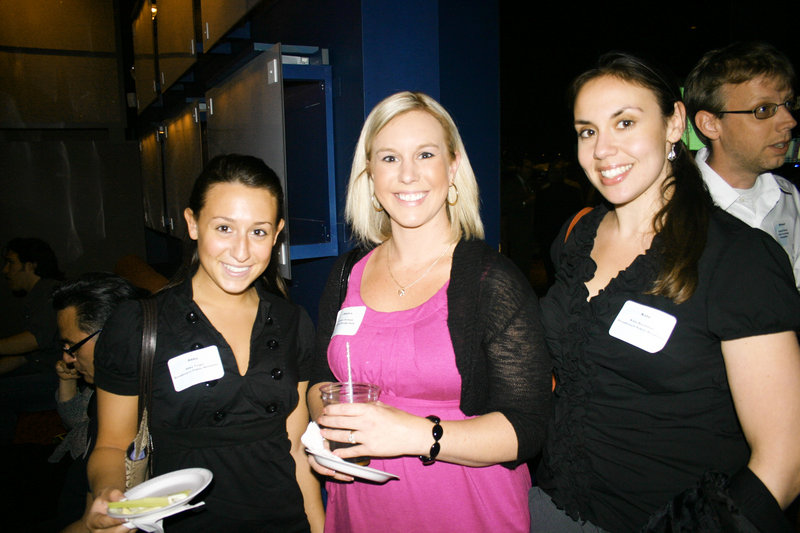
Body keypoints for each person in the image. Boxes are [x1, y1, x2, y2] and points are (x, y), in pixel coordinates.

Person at [531, 52, 800, 533]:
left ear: (674, 123)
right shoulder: (575, 238)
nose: (602, 150)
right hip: (552, 507)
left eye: (625, 122)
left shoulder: (737, 258)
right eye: (587, 131)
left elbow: (786, 460)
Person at [308, 91, 552, 533]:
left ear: (453, 166)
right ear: (370, 175)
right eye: (388, 158)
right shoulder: (346, 273)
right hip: (359, 510)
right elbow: (319, 379)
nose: (407, 175)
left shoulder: (491, 281)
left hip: (464, 511)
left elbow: (529, 426)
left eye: (425, 154)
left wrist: (417, 434)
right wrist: (330, 428)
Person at [85, 154, 324, 532]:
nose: (241, 252)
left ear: (277, 234)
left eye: (258, 232)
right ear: (193, 224)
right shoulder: (140, 324)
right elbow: (113, 445)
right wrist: (109, 491)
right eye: (224, 228)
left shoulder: (292, 322)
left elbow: (294, 448)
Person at [684, 41, 800, 290]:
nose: (788, 121)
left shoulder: (790, 199)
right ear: (710, 124)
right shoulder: (674, 207)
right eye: (764, 109)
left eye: (788, 104)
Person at [41, 273, 147, 533]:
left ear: (112, 336)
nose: (67, 358)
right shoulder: (100, 390)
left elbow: (94, 520)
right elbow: (76, 422)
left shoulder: (131, 405)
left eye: (72, 346)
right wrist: (66, 383)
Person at [0, 237, 63, 442]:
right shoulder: (35, 297)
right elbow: (25, 357)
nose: (5, 270)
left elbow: (36, 340)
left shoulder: (50, 290)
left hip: (58, 377)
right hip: (43, 369)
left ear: (30, 265)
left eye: (11, 262)